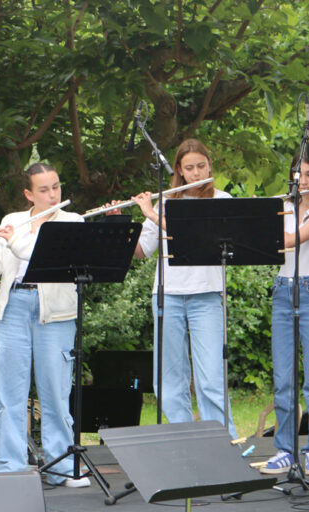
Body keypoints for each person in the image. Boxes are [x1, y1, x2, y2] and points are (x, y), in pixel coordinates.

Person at [0, 163, 90, 487]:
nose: (52, 194)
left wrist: (16, 243)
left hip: (56, 313)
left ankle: (62, 467)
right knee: (9, 394)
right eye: (44, 190)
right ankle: (9, 469)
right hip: (14, 307)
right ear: (29, 194)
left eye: (56, 187)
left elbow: (50, 261)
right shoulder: (12, 221)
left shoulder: (72, 222)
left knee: (56, 393)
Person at [129, 138, 237, 438]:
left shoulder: (221, 200)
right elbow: (142, 251)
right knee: (168, 379)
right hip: (167, 297)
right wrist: (121, 225)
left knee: (211, 377)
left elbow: (198, 235)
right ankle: (185, 439)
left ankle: (222, 441)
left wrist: (152, 214)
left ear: (209, 165)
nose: (197, 173)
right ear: (179, 170)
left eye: (201, 166)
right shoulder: (166, 200)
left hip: (206, 295)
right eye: (189, 168)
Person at [260, 152, 309, 476]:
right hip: (282, 290)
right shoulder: (284, 207)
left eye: (308, 174)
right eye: (297, 174)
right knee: (283, 380)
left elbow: (288, 241)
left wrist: (259, 220)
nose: (302, 180)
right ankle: (284, 449)